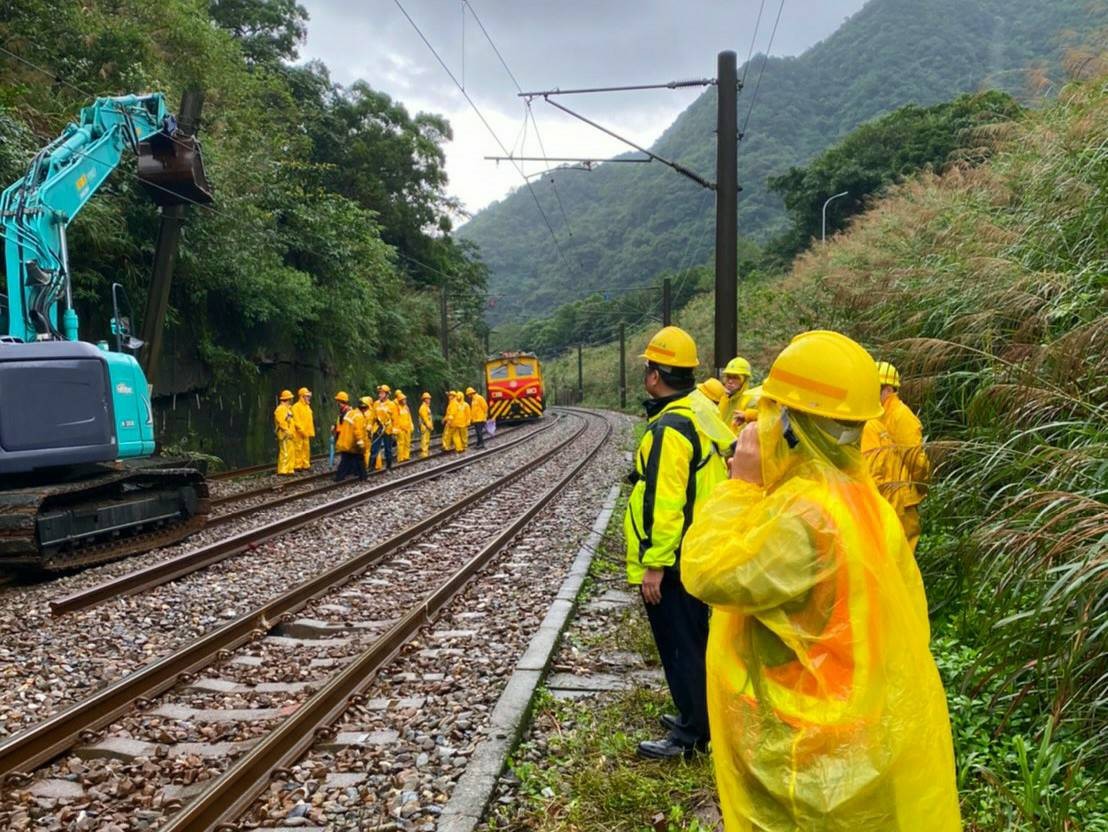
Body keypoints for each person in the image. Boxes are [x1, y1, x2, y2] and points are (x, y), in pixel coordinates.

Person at [681, 330, 960, 831]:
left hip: (803, 741)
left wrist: (740, 487)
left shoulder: (804, 515)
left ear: (792, 425)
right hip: (862, 729)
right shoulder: (867, 504)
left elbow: (709, 572)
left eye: (770, 413)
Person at [623, 325, 728, 760]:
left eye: (649, 368)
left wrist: (655, 564)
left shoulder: (669, 428)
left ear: (655, 375)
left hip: (676, 558)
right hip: (699, 545)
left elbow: (665, 501)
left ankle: (692, 736)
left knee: (682, 646)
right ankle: (697, 714)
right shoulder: (699, 410)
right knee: (696, 642)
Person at [862, 360, 930, 552]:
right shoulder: (882, 415)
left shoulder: (900, 415)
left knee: (904, 554)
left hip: (904, 501)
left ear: (887, 389)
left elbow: (916, 458)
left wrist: (921, 485)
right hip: (891, 498)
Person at [332, 391, 367, 482]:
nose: (338, 404)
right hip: (351, 442)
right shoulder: (358, 416)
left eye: (339, 401)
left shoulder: (350, 413)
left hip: (346, 440)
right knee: (357, 459)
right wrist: (361, 443)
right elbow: (357, 431)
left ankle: (341, 477)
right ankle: (362, 477)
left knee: (348, 460)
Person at [718, 356, 758, 433]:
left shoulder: (752, 401)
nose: (730, 381)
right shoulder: (723, 398)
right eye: (728, 377)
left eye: (735, 377)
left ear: (745, 380)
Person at [371, 384, 396, 470]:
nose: (380, 395)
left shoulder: (391, 404)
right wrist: (370, 427)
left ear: (387, 394)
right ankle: (371, 467)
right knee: (374, 448)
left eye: (382, 393)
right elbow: (373, 417)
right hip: (377, 428)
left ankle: (389, 466)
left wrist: (394, 431)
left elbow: (395, 419)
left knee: (388, 449)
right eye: (379, 393)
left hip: (387, 429)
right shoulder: (376, 404)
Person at [291, 387, 315, 472]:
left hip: (306, 433)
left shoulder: (307, 407)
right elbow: (296, 421)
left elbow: (309, 421)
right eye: (307, 396)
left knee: (306, 449)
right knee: (298, 449)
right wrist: (301, 430)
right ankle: (297, 465)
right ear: (302, 396)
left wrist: (308, 432)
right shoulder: (295, 407)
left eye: (309, 396)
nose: (308, 398)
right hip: (299, 433)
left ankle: (305, 464)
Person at [273, 390, 296, 475]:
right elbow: (281, 422)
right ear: (288, 399)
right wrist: (287, 431)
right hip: (284, 434)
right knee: (285, 452)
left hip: (289, 434)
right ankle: (283, 470)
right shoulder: (280, 409)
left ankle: (289, 469)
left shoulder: (287, 409)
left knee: (290, 452)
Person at [394, 390, 414, 462]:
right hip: (401, 429)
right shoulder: (397, 407)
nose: (404, 400)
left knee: (407, 442)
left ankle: (406, 456)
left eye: (405, 399)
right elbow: (395, 419)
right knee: (400, 443)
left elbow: (409, 416)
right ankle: (400, 458)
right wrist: (397, 428)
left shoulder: (406, 407)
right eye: (403, 399)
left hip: (407, 428)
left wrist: (411, 424)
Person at [419, 392, 434, 458]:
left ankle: (426, 452)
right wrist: (429, 426)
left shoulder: (427, 407)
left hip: (427, 426)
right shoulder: (423, 408)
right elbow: (425, 418)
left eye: (429, 399)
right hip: (425, 426)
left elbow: (429, 417)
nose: (429, 400)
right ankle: (424, 453)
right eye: (427, 399)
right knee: (424, 440)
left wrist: (431, 425)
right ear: (424, 399)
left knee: (427, 440)